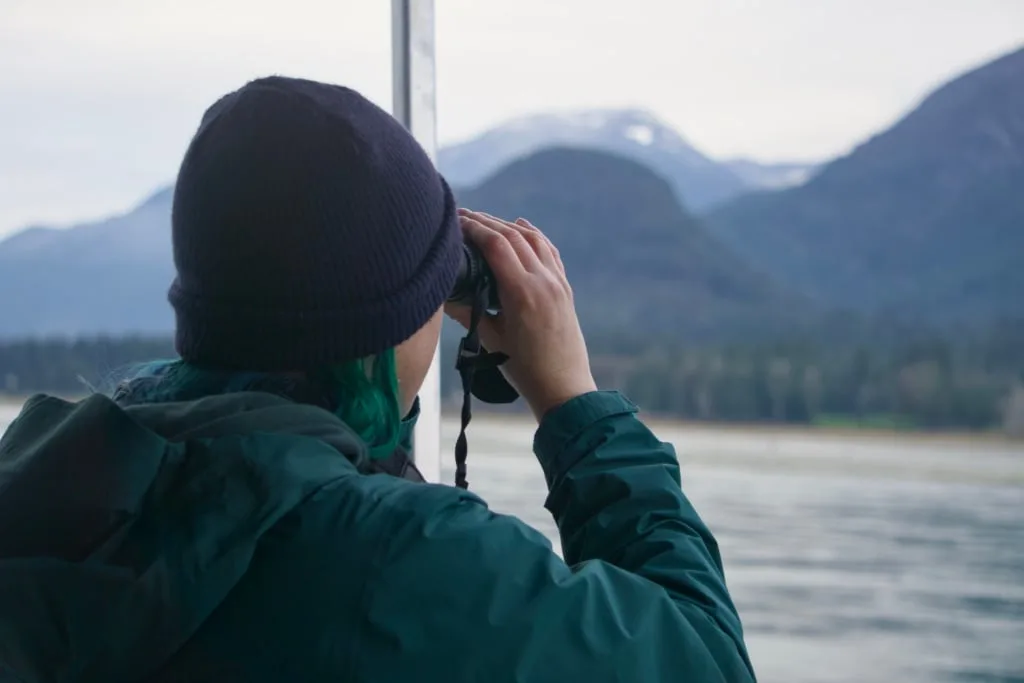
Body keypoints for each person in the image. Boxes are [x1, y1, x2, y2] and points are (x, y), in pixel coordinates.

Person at [0, 76, 755, 682]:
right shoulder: (406, 560)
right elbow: (706, 660)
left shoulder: (47, 481)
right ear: (382, 331)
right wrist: (575, 403)